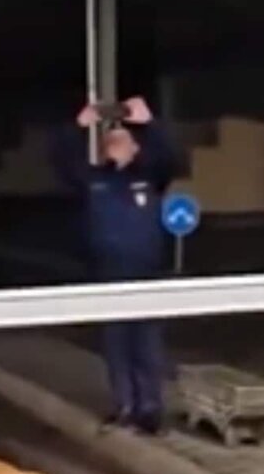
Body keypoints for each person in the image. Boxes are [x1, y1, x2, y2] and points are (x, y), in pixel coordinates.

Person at [52, 97, 178, 435]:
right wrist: (80, 125)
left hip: (146, 274)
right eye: (109, 140)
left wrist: (148, 123)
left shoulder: (150, 176)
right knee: (116, 345)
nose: (113, 144)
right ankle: (125, 406)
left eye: (121, 139)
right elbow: (61, 160)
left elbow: (170, 156)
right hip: (107, 275)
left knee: (146, 343)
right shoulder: (94, 181)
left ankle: (150, 409)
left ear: (136, 148)